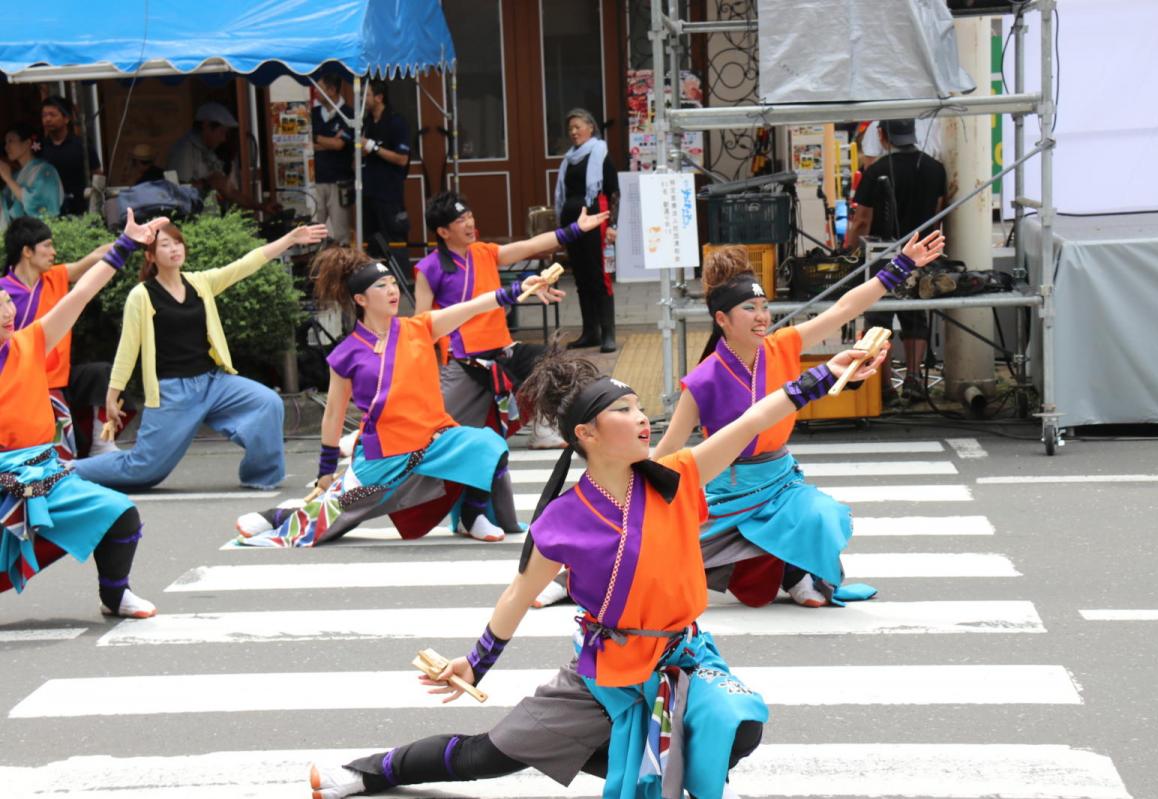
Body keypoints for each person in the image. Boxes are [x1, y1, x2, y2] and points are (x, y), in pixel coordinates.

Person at [308, 343, 885, 799]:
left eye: (639, 407)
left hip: (682, 659)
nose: (642, 419)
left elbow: (751, 420)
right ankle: (368, 773)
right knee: (489, 757)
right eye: (624, 411)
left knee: (739, 724)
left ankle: (637, 761)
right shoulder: (563, 519)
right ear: (586, 435)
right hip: (602, 673)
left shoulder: (676, 476)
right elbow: (520, 591)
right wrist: (475, 663)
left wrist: (821, 376)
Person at [645, 230, 945, 610]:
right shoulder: (703, 379)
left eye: (764, 307)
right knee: (653, 558)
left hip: (780, 480)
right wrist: (633, 497)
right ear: (722, 318)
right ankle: (571, 577)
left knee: (820, 514)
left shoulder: (781, 344)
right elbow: (669, 448)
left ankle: (797, 571)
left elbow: (842, 310)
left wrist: (900, 266)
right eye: (749, 309)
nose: (762, 317)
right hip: (728, 491)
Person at [235, 246, 562, 547]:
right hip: (384, 454)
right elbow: (333, 415)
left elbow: (472, 306)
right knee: (327, 520)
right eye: (382, 286)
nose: (392, 291)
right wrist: (324, 471)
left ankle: (470, 514)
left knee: (489, 444)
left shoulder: (419, 328)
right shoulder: (347, 354)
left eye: (393, 283)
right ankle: (274, 517)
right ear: (361, 299)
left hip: (435, 439)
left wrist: (518, 290)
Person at [71, 223, 328, 491]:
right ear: (150, 256)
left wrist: (289, 238)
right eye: (165, 245)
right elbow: (128, 349)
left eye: (177, 243)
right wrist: (112, 396)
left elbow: (246, 264)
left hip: (214, 383)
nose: (174, 249)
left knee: (267, 403)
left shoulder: (200, 283)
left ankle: (260, 477)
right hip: (172, 391)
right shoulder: (142, 295)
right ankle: (68, 470)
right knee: (143, 470)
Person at [1, 208, 168, 618]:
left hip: (40, 472)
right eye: (0, 303)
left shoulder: (30, 342)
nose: (7, 310)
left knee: (120, 516)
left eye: (7, 302)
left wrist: (126, 244)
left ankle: (115, 596)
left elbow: (79, 295)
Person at [414, 192, 608, 449]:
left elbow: (529, 246)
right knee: (438, 432)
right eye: (461, 220)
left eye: (470, 216)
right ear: (443, 231)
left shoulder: (485, 252)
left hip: (502, 349)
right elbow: (420, 325)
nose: (470, 224)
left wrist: (574, 230)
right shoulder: (429, 268)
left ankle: (543, 430)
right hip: (464, 360)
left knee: (551, 363)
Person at [1, 216, 137, 459]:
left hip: (57, 377)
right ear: (27, 251)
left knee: (100, 374)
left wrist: (127, 242)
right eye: (47, 245)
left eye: (9, 304)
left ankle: (101, 444)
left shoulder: (55, 278)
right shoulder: (4, 291)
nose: (54, 252)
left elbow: (89, 273)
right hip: (22, 381)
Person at [845, 118, 947, 402]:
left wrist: (849, 251)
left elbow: (862, 220)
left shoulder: (875, 171)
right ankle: (914, 378)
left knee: (878, 318)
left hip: (881, 256)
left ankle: (884, 386)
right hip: (922, 253)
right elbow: (939, 212)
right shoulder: (935, 169)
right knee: (915, 314)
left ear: (881, 134)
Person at [553, 108, 619, 352]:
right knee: (581, 278)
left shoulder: (601, 153)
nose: (573, 132)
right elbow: (564, 195)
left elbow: (613, 191)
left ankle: (608, 334)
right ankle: (590, 332)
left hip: (595, 223)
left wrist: (612, 225)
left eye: (578, 127)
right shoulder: (569, 159)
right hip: (573, 226)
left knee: (598, 276)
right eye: (571, 128)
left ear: (591, 128)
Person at [167, 102, 277, 214]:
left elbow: (229, 191)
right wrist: (207, 183)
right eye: (221, 132)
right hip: (191, 221)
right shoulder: (184, 149)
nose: (223, 139)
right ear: (206, 126)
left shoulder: (208, 151)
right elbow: (175, 189)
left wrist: (260, 206)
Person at [361, 80, 411, 261]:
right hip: (368, 193)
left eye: (366, 95)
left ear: (379, 97)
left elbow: (402, 159)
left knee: (394, 242)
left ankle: (401, 284)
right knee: (372, 244)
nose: (362, 99)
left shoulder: (396, 122)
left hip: (389, 195)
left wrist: (373, 147)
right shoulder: (365, 122)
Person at [311, 69, 354, 244]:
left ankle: (343, 268)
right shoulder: (313, 114)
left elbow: (339, 145)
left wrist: (316, 138)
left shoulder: (348, 114)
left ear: (332, 90)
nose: (315, 91)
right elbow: (308, 146)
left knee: (341, 232)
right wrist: (328, 142)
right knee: (314, 230)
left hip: (339, 182)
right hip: (316, 181)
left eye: (319, 88)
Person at [39, 95, 99, 217]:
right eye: (44, 115)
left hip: (81, 208)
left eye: (52, 115)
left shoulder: (82, 144)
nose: (47, 119)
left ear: (66, 118)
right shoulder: (40, 147)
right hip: (50, 208)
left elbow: (97, 173)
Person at [0, 123, 63, 228]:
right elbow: (5, 202)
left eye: (11, 141)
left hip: (38, 233)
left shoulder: (46, 171)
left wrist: (8, 179)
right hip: (18, 234)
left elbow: (38, 205)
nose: (6, 147)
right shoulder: (16, 175)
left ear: (27, 143)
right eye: (5, 143)